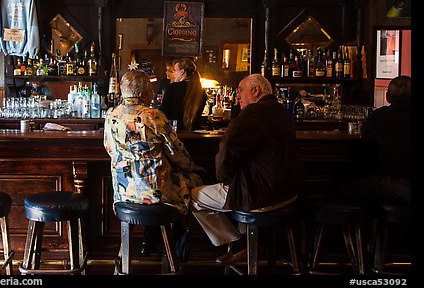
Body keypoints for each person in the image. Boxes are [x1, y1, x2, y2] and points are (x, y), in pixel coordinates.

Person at [190, 73, 301, 265]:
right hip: (287, 194)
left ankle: (241, 244)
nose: (237, 96)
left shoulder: (254, 112)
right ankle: (251, 242)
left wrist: (223, 178)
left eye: (241, 91)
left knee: (192, 196)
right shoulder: (280, 110)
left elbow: (227, 149)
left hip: (260, 195)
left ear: (255, 90)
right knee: (236, 187)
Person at [103, 70, 206, 261]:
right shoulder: (153, 115)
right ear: (142, 95)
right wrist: (192, 167)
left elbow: (109, 148)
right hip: (157, 195)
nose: (154, 95)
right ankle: (174, 250)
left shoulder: (110, 116)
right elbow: (176, 152)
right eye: (151, 92)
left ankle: (150, 241)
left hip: (124, 195)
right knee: (196, 180)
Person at [339, 75, 411, 203]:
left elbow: (365, 143)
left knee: (342, 187)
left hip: (396, 185)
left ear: (388, 96)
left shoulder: (379, 116)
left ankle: (367, 221)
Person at [160, 57, 208, 131]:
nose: (174, 74)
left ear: (182, 71)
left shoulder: (172, 88)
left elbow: (163, 112)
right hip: (195, 133)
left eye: (175, 71)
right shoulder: (201, 91)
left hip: (176, 132)